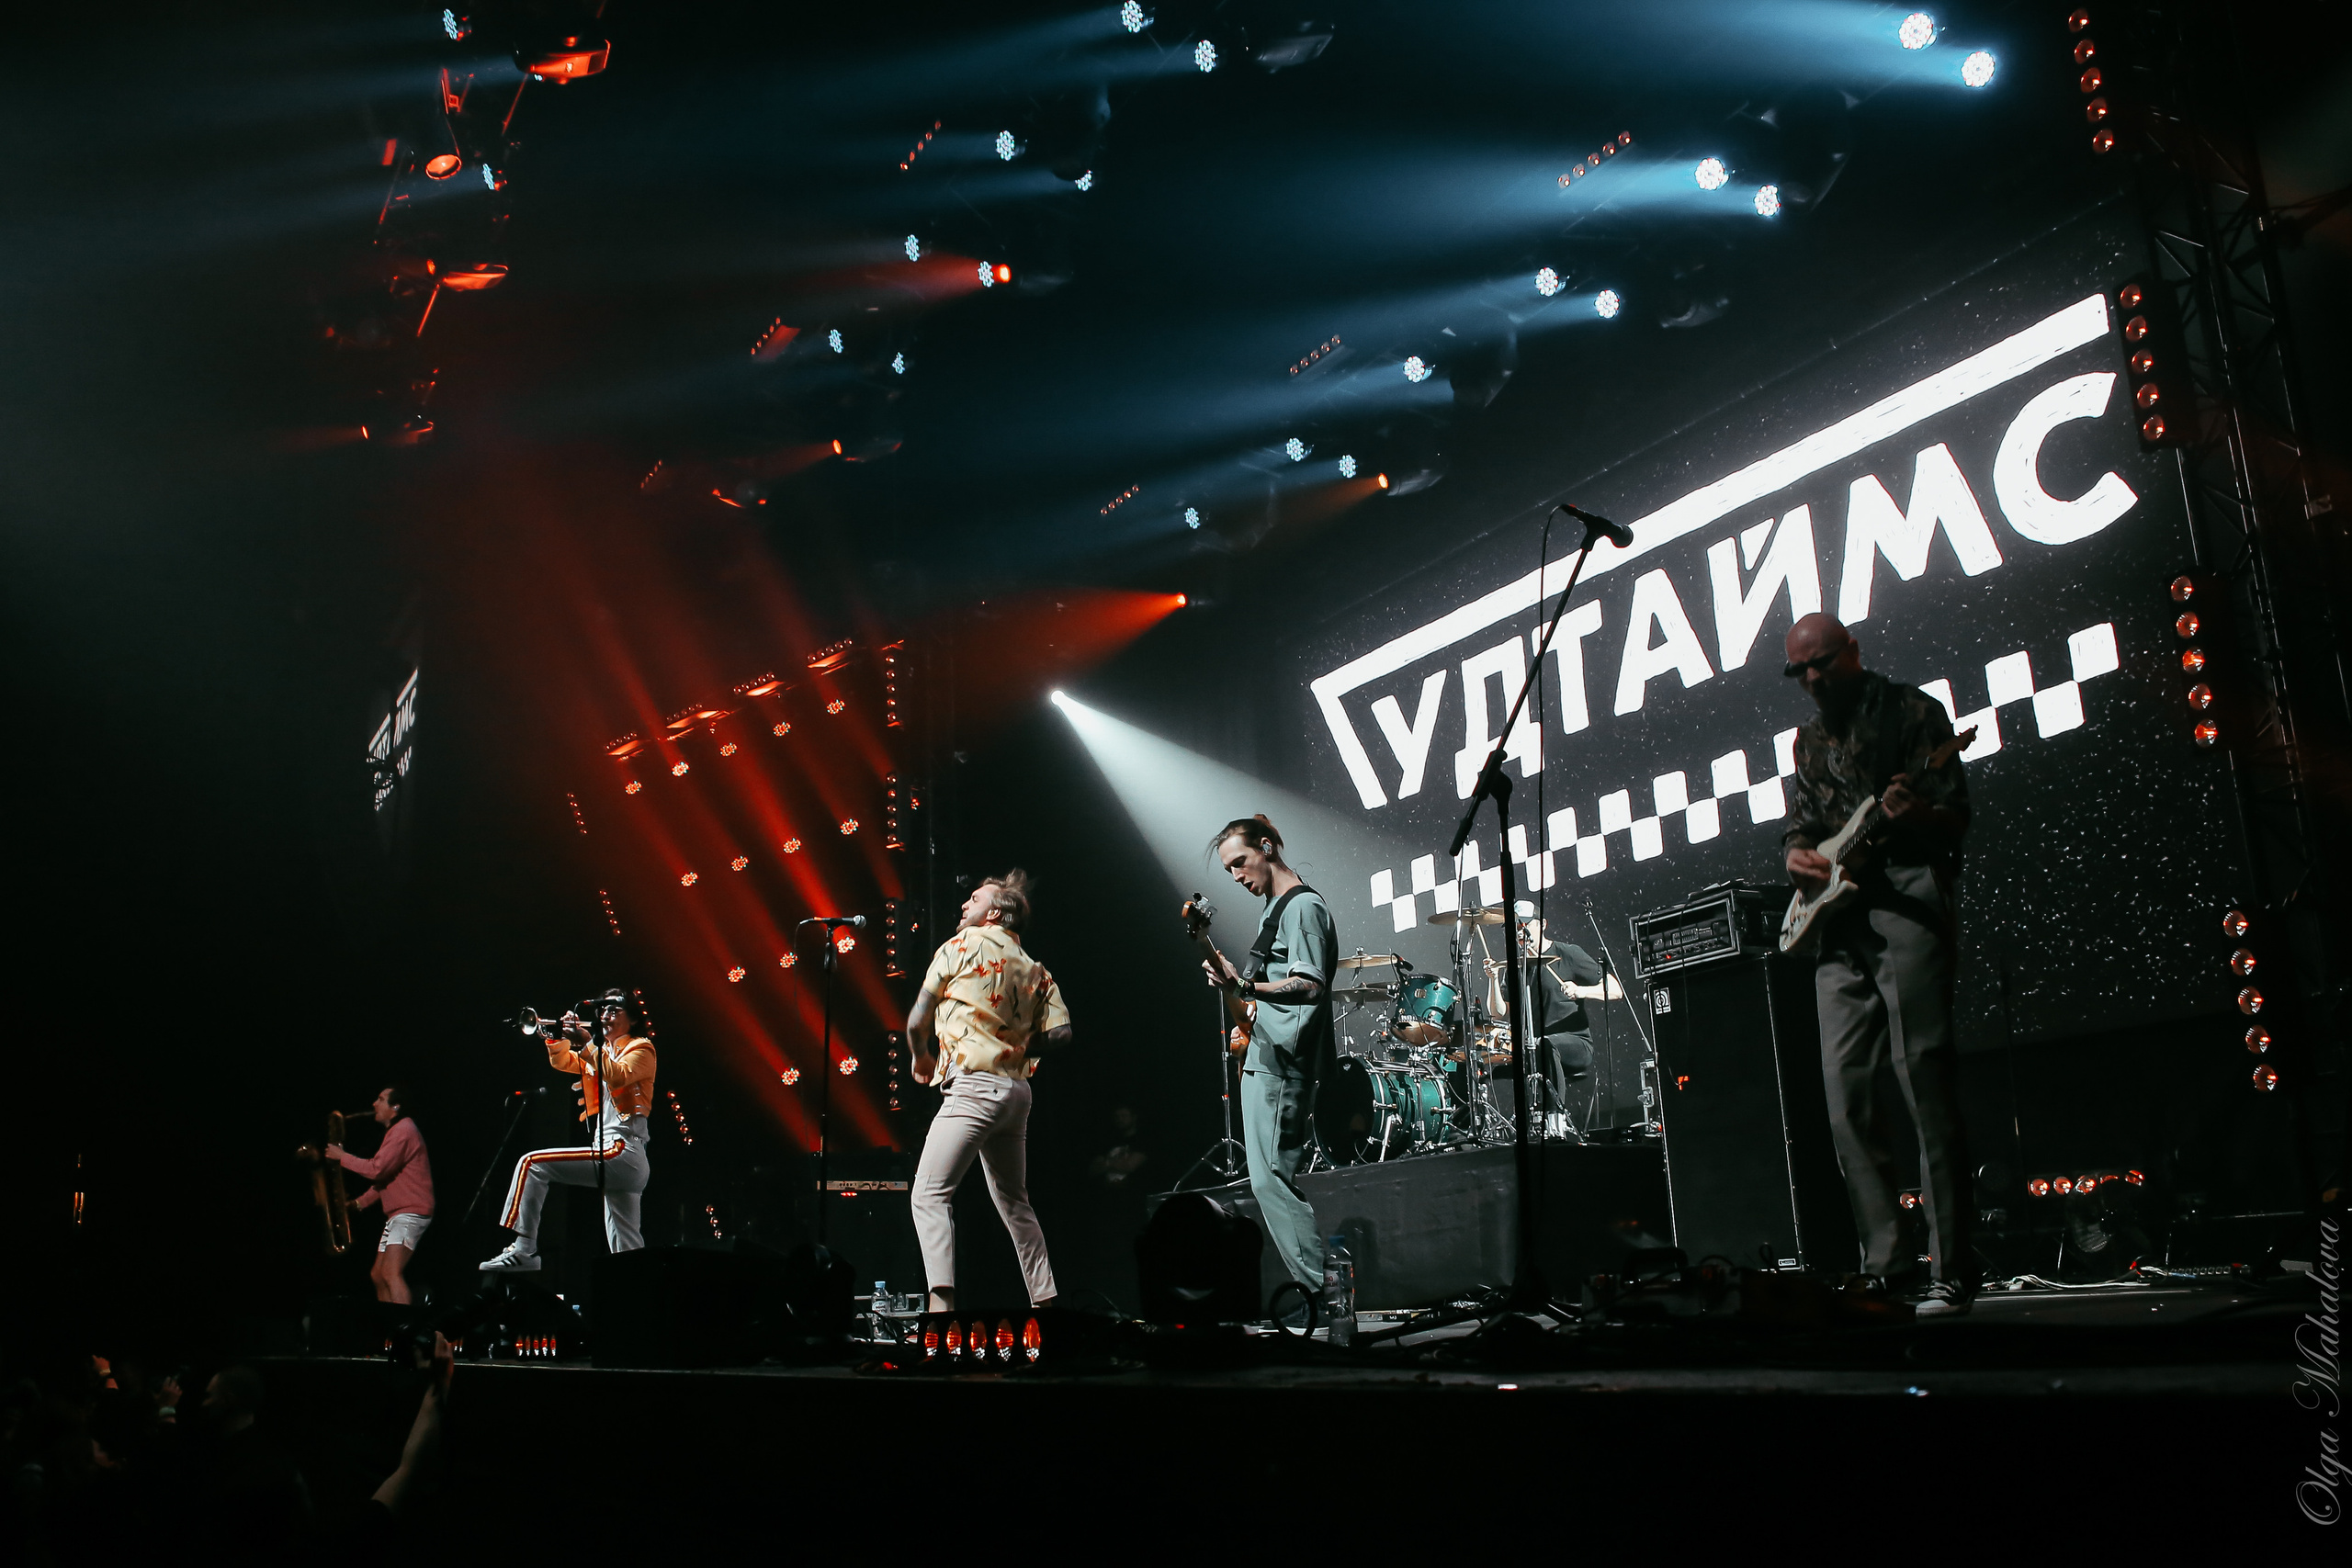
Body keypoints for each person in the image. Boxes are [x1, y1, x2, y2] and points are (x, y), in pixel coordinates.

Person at [1781, 612, 1976, 1315]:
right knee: (1845, 1097)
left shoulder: (1913, 712)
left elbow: (1955, 815)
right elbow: (1802, 827)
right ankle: (1887, 1264)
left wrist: (1913, 810)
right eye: (1799, 670)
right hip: (1839, 926)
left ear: (1853, 652)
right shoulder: (1807, 742)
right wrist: (1797, 858)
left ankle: (1952, 1265)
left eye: (1823, 663)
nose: (1811, 679)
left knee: (1923, 1074)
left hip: (1905, 900)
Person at [907, 871, 1071, 1315]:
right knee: (1017, 1204)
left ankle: (941, 1309)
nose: (964, 905)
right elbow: (1062, 1036)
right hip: (1016, 1094)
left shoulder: (959, 947)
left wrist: (920, 1056)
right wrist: (1020, 1045)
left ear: (994, 913)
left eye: (974, 899)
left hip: (974, 1087)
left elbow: (917, 1020)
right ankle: (1047, 1303)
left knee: (929, 1195)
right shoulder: (1038, 970)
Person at [1200, 814, 1336, 1296]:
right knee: (1268, 1180)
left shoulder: (1302, 907)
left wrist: (1244, 983)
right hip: (1267, 1055)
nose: (1237, 876)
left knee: (1270, 1181)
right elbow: (1260, 998)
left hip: (1283, 1061)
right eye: (1229, 869)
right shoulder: (1275, 910)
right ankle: (1321, 1291)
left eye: (1239, 862)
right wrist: (1235, 984)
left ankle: (1323, 1292)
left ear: (1266, 847)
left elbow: (1310, 985)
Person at [479, 991, 656, 1272]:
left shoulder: (642, 1048)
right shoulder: (603, 1052)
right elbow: (564, 1062)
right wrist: (555, 1036)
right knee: (627, 1249)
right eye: (603, 1011)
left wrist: (586, 1043)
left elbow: (618, 1074)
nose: (605, 1016)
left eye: (614, 1011)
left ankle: (524, 1250)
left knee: (531, 1164)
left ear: (632, 1019)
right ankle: (641, 1297)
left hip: (623, 1150)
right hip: (619, 1156)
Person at [1494, 912, 1608, 1139]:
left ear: (1543, 923)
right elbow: (1501, 1010)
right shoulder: (1514, 968)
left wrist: (1581, 990)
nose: (1519, 931)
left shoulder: (1567, 954)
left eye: (1525, 925)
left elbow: (1614, 989)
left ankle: (1555, 1123)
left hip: (1575, 1042)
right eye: (1515, 927)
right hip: (1533, 1046)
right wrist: (1492, 980)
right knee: (1489, 1062)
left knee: (1544, 1045)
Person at [325, 1084, 434, 1304]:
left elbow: (377, 1169)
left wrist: (342, 1157)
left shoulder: (403, 1130)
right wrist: (357, 1204)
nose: (374, 1104)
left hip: (410, 1212)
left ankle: (404, 1329)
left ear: (395, 1107)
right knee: (378, 1275)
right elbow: (385, 1180)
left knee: (391, 1274)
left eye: (381, 1100)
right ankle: (389, 1328)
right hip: (400, 1213)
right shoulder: (395, 1131)